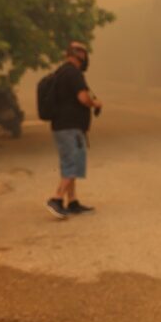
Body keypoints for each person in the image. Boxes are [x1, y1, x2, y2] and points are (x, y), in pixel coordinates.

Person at [45, 42, 102, 219]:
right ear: (79, 55)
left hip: (62, 126)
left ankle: (73, 202)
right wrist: (95, 104)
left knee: (68, 163)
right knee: (74, 165)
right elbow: (83, 98)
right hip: (70, 127)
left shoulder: (62, 71)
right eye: (83, 53)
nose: (85, 57)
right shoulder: (73, 73)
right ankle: (56, 199)